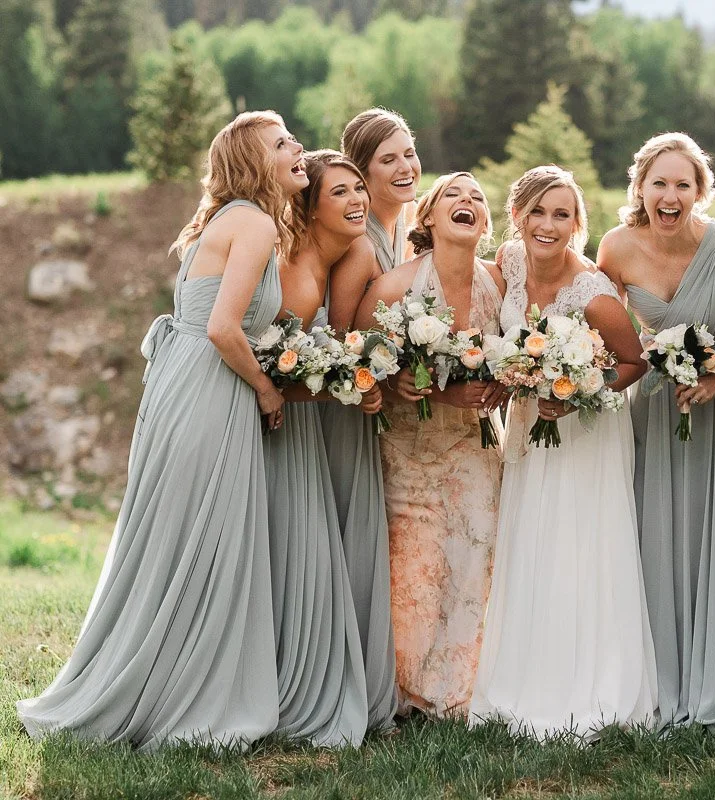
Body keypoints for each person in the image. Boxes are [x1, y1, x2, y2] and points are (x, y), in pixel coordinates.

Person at [16, 111, 302, 750]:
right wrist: (265, 388)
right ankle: (178, 695)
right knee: (201, 539)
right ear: (257, 165)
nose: (297, 147)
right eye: (282, 143)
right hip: (213, 386)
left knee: (178, 539)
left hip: (184, 386)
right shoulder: (253, 221)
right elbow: (225, 328)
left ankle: (161, 677)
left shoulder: (225, 221)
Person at [470, 166, 657, 739]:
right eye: (538, 212)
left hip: (585, 432)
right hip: (531, 425)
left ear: (578, 225)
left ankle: (589, 683)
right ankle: (524, 674)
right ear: (518, 216)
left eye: (563, 215)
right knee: (531, 540)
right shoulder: (511, 262)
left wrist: (575, 396)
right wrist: (514, 377)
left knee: (579, 545)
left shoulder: (594, 293)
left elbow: (633, 363)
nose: (548, 225)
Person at [598, 133, 715, 728]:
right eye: (659, 183)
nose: (670, 196)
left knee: (713, 537)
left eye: (683, 184)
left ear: (701, 191)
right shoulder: (615, 248)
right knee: (650, 535)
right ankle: (653, 674)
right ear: (640, 187)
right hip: (652, 410)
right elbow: (600, 328)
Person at [356, 172, 506, 718]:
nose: (466, 202)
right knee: (414, 565)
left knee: (477, 553)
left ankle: (462, 688)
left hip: (474, 443)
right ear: (429, 217)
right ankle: (406, 690)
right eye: (452, 196)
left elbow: (519, 350)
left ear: (485, 222)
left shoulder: (501, 283)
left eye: (477, 199)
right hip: (410, 448)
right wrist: (394, 380)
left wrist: (504, 382)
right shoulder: (395, 288)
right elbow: (360, 359)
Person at [265, 149, 381, 746]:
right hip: (271, 421)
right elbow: (271, 366)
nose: (358, 199)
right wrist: (345, 389)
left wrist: (359, 379)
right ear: (309, 207)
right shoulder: (289, 266)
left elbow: (339, 340)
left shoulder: (355, 251)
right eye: (340, 193)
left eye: (358, 187)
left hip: (304, 421)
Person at [317, 107, 422, 730]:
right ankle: (345, 676)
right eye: (388, 159)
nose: (406, 166)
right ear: (361, 171)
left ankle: (371, 670)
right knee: (349, 536)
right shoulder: (361, 245)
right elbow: (338, 341)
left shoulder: (401, 234)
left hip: (383, 416)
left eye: (409, 153)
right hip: (350, 415)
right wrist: (379, 380)